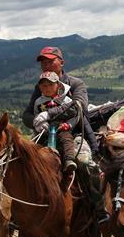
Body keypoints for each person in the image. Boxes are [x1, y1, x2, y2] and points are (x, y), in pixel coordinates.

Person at [23, 46, 107, 223]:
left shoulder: (76, 84)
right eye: (43, 62)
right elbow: (27, 115)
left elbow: (79, 106)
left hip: (74, 132)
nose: (46, 65)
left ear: (61, 62)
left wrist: (49, 114)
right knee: (23, 162)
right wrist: (38, 123)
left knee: (85, 163)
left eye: (50, 61)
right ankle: (23, 211)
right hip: (45, 135)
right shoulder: (40, 87)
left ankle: (98, 207)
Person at [31, 71, 79, 186]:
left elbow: (76, 115)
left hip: (62, 128)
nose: (47, 88)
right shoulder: (38, 102)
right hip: (45, 130)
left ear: (58, 84)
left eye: (50, 85)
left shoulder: (66, 100)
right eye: (43, 86)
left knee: (66, 139)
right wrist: (39, 125)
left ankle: (69, 160)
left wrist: (68, 125)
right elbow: (36, 116)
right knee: (33, 145)